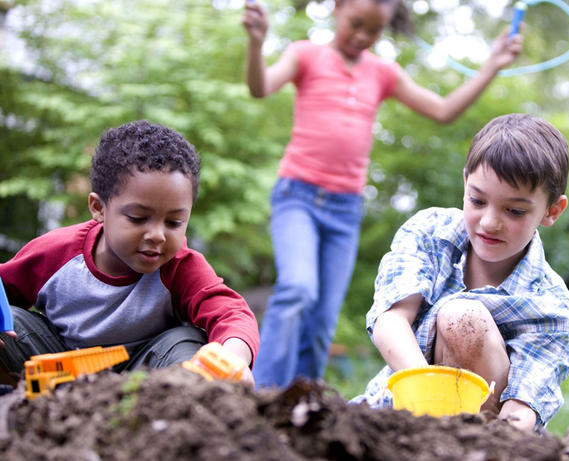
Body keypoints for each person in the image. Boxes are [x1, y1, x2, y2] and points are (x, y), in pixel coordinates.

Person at [242, 0, 524, 388]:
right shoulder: (305, 55)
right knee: (297, 289)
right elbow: (260, 87)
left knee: (324, 318)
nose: (362, 36)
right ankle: (262, 393)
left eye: (373, 30)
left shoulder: (381, 73)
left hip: (344, 210)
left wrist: (492, 64)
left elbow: (442, 110)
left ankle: (301, 403)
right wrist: (256, 42)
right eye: (355, 23)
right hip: (298, 197)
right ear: (338, 7)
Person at [353, 113, 569, 432]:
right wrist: (427, 392)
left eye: (514, 210)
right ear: (465, 184)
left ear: (551, 211)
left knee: (461, 318)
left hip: (484, 435)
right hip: (401, 414)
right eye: (477, 200)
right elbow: (391, 319)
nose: (489, 222)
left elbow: (523, 407)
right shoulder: (429, 232)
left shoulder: (552, 306)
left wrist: (491, 444)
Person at [0, 120, 260, 384]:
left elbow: (232, 314)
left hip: (147, 382)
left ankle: (177, 406)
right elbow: (4, 285)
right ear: (99, 208)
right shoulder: (56, 253)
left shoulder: (179, 266)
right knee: (11, 322)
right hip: (58, 373)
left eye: (173, 222)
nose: (157, 235)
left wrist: (233, 359)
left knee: (188, 342)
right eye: (138, 217)